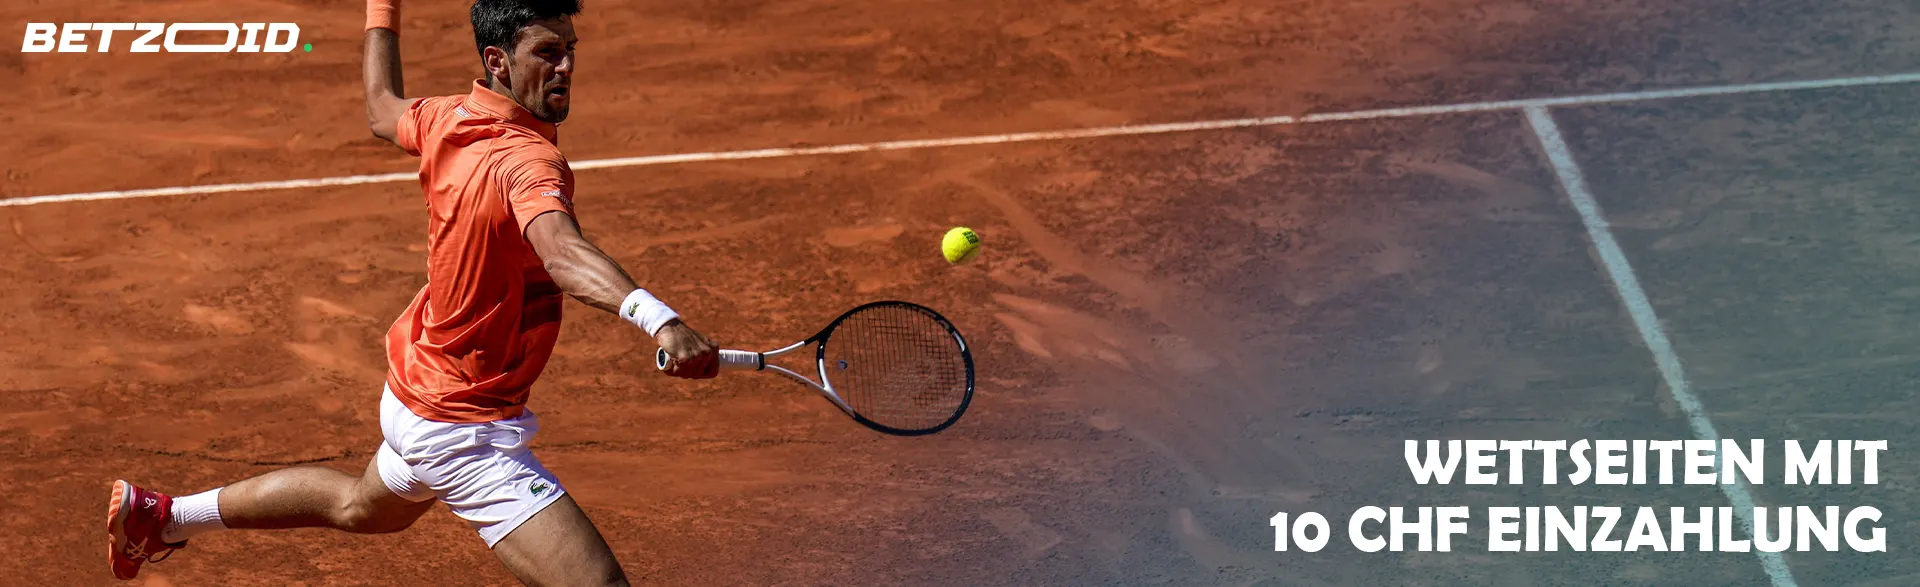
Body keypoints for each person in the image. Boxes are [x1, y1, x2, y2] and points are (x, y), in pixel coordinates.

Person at [104, 1, 721, 584]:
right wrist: (659, 319)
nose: (565, 67)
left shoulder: (445, 118)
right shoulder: (529, 162)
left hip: (415, 388)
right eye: (547, 52)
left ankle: (162, 516)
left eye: (570, 49)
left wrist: (382, 8)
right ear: (497, 60)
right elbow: (560, 251)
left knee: (361, 507)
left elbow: (379, 107)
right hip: (462, 423)